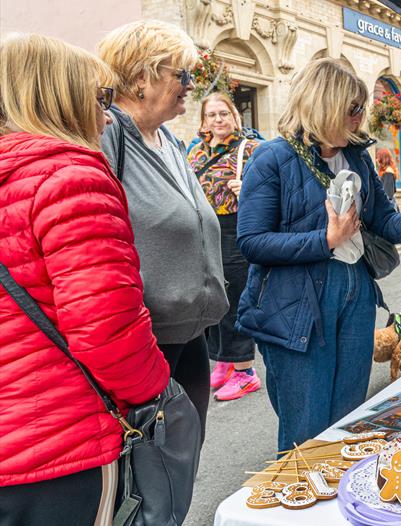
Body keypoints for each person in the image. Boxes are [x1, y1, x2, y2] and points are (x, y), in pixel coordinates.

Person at [235, 58, 401, 452]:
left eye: (361, 108)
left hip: (356, 293)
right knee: (307, 431)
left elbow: (384, 223)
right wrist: (326, 240)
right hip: (298, 304)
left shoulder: (356, 156)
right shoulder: (272, 158)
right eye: (353, 108)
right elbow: (251, 241)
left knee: (348, 422)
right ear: (325, 106)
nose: (360, 117)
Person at [0, 34, 170, 525]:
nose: (109, 115)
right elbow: (108, 332)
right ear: (61, 99)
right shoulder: (71, 177)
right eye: (100, 99)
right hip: (58, 445)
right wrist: (157, 392)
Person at [99, 20, 229, 442]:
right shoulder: (109, 135)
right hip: (146, 343)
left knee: (182, 463)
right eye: (181, 75)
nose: (191, 85)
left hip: (191, 336)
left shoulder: (169, 139)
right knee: (150, 476)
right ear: (141, 77)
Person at [187, 92, 261, 401]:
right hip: (204, 230)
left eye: (224, 113)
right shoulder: (195, 153)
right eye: (212, 114)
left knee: (234, 296)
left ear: (235, 116)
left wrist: (249, 188)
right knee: (212, 297)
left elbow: (274, 191)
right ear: (203, 120)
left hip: (234, 228)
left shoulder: (252, 149)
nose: (218, 119)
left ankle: (245, 371)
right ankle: (224, 361)